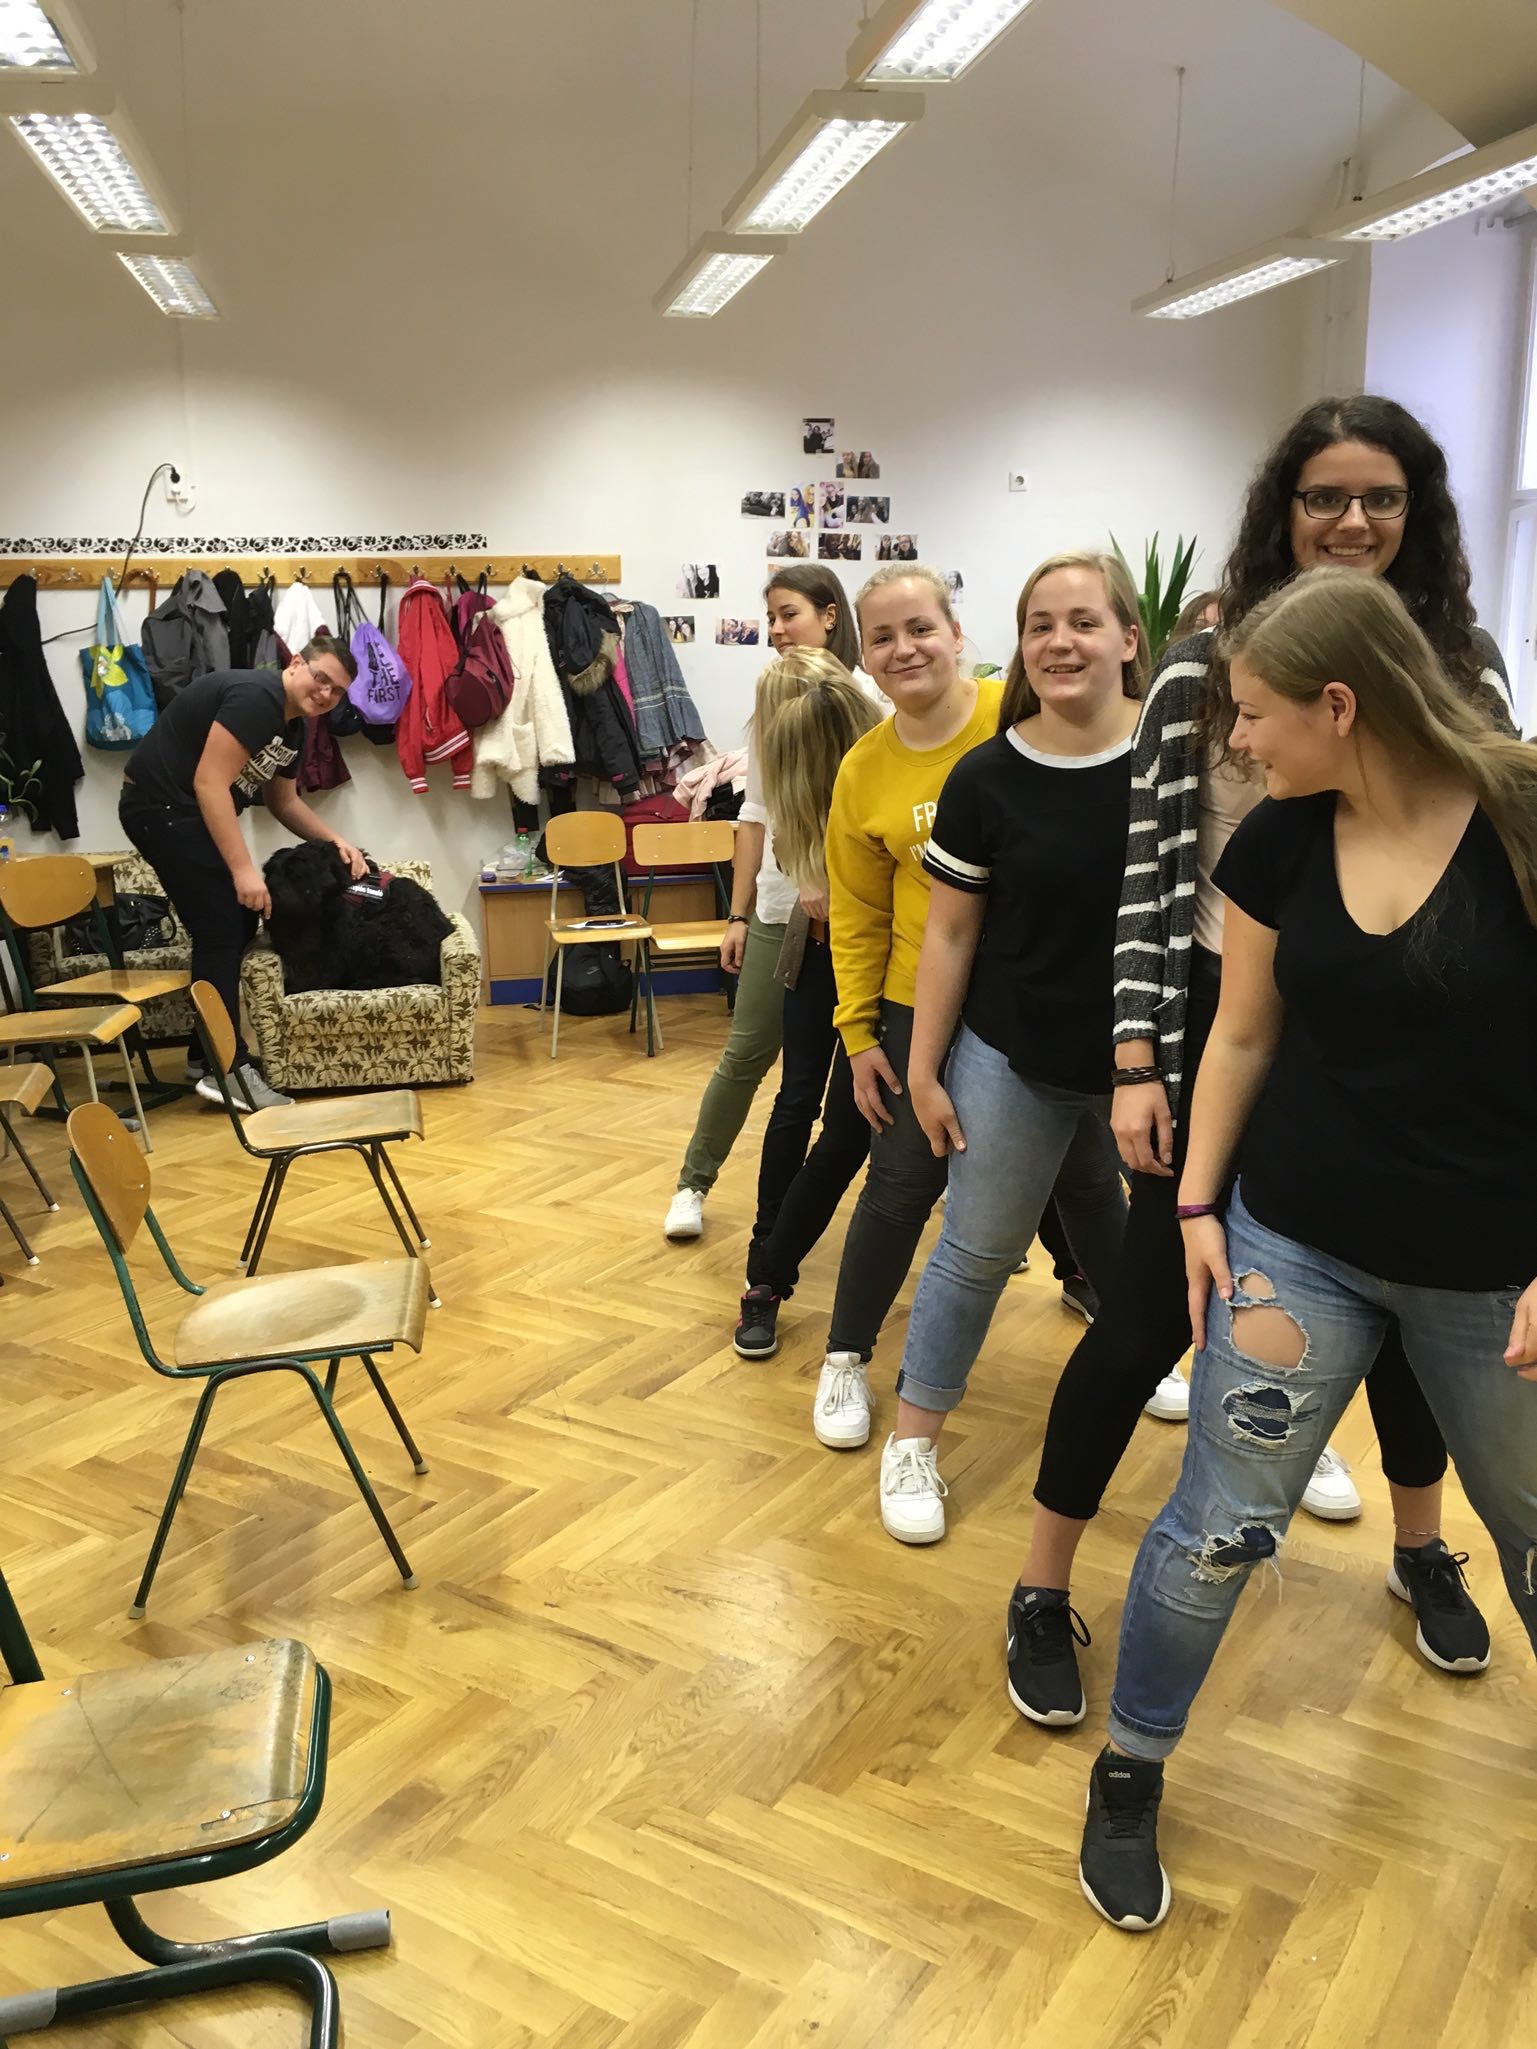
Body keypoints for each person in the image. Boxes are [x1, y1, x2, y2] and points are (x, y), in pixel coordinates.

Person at [1005, 394, 1509, 1730]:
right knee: (1142, 1319)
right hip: (1217, 1021)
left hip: (1398, 1046)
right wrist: (1134, 1055)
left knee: (1413, 1329)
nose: (1352, 520)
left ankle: (1420, 1551)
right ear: (1282, 509)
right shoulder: (1201, 661)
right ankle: (1042, 1586)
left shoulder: (1463, 661)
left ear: (1417, 514)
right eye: (1323, 496)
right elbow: (1150, 869)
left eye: (1382, 497)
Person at [1077, 567, 1537, 1933]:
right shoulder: (1280, 839)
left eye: (1254, 714)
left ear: (1340, 705)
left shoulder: (1521, 815)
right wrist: (1196, 1208)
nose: (1236, 742)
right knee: (1216, 1527)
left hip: (1493, 1269)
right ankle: (1128, 1767)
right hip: (1299, 1241)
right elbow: (1240, 1034)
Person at [879, 553, 1145, 1543]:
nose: (1059, 642)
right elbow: (949, 934)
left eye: (1082, 621)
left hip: (1148, 1062)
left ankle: (1246, 1415)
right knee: (976, 1250)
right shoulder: (985, 776)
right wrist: (923, 1067)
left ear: (1128, 639)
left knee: (1197, 1246)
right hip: (1011, 1054)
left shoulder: (1177, 763)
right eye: (1040, 624)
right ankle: (913, 1440)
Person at [805, 566, 1004, 1459]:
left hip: (1030, 995)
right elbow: (855, 914)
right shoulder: (863, 769)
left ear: (955, 634)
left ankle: (1136, 1351)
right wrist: (857, 1035)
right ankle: (845, 1354)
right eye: (881, 637)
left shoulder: (1015, 715)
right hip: (911, 1000)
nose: (903, 649)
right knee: (898, 1183)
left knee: (1083, 1179)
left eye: (919, 627)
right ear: (865, 657)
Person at [663, 566, 863, 1240]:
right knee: (747, 1054)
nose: (776, 629)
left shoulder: (869, 699)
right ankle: (693, 1182)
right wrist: (738, 914)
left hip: (860, 917)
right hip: (782, 911)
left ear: (829, 616)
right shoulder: (772, 698)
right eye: (770, 617)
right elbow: (754, 816)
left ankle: (949, 1200)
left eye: (788, 614)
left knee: (883, 1067)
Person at [117, 637, 367, 1113]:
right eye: (321, 679)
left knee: (234, 922)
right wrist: (242, 870)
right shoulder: (258, 698)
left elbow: (284, 802)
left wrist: (336, 841)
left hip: (181, 811)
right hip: (161, 806)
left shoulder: (293, 729)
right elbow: (210, 783)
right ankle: (224, 1068)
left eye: (337, 691)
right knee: (220, 927)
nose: (325, 694)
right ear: (297, 663)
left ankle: (204, 1056)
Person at [730, 651, 884, 1356]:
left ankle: (1073, 1265)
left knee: (848, 1128)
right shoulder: (790, 753)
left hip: (887, 967)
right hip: (822, 950)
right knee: (800, 1101)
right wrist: (809, 879)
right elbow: (790, 848)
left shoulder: (879, 746)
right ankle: (766, 1265)